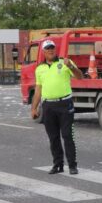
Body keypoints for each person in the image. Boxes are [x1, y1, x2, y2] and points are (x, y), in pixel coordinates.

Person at [31, 39, 84, 175]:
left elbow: (80, 77)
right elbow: (38, 89)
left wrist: (71, 66)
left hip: (65, 104)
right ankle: (58, 165)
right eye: (48, 48)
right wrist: (34, 108)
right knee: (53, 137)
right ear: (43, 51)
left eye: (52, 48)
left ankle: (72, 165)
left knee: (67, 136)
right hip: (48, 105)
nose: (50, 50)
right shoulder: (40, 69)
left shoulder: (65, 63)